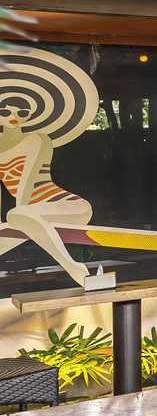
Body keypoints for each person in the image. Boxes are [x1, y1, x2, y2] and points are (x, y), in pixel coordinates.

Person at [0, 96, 92, 285]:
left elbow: (27, 184)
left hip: (67, 206)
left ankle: (72, 266)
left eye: (21, 112)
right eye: (5, 111)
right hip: (30, 215)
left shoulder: (36, 140)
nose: (13, 116)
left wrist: (16, 218)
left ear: (28, 116)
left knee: (16, 214)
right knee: (15, 217)